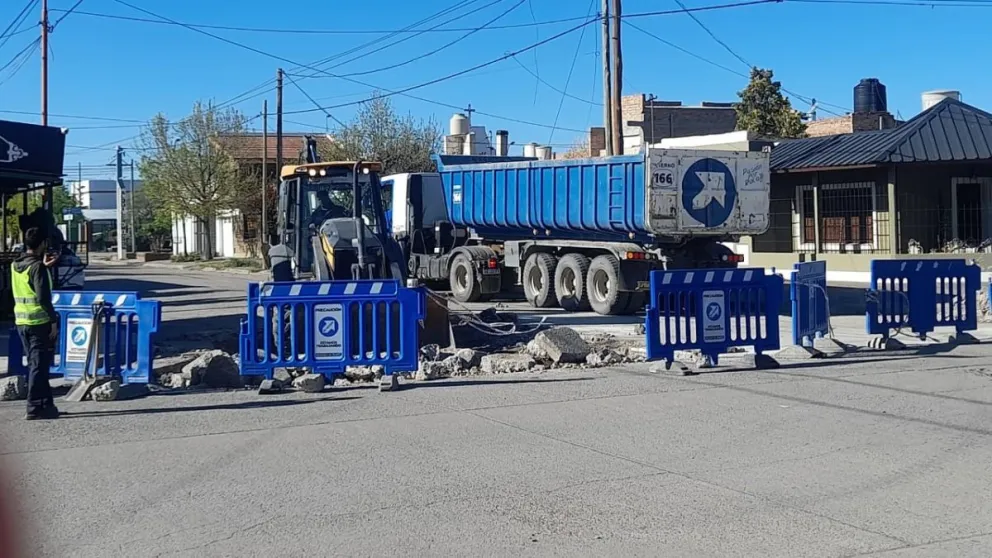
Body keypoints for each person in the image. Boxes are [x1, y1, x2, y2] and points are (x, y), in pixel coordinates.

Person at [12, 227, 60, 420]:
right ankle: (33, 407)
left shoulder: (16, 265)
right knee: (39, 367)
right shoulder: (37, 267)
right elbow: (42, 298)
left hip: (22, 322)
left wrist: (44, 267)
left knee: (37, 364)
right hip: (39, 322)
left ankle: (46, 405)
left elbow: (28, 286)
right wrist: (53, 320)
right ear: (42, 244)